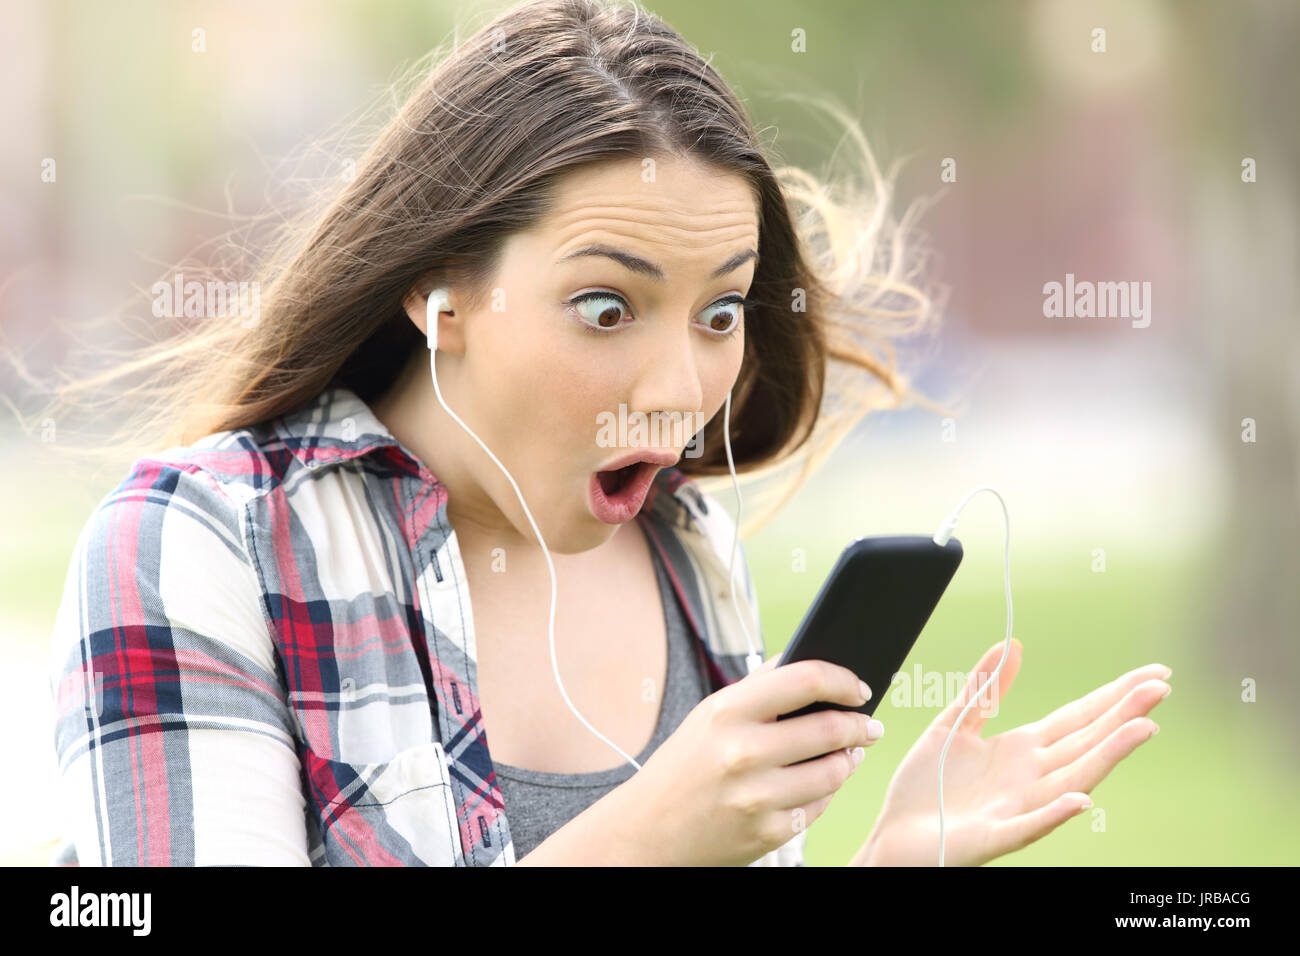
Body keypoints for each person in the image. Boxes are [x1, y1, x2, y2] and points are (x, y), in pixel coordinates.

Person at [45, 0, 1170, 867]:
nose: (680, 388)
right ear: (439, 292)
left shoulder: (688, 552)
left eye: (720, 312)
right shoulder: (196, 548)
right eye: (606, 307)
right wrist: (642, 834)